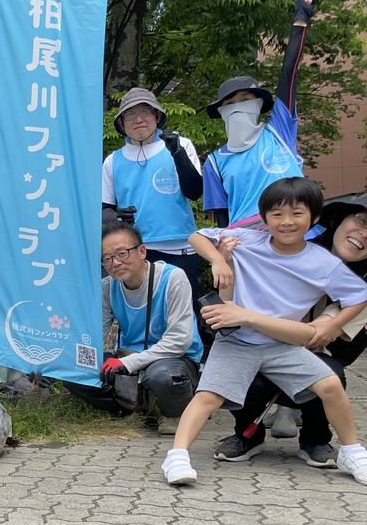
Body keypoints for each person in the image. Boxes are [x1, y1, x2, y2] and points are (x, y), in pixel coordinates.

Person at [162, 178, 367, 486]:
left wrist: (335, 325)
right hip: (238, 342)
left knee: (330, 385)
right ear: (265, 218)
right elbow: (197, 235)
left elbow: (359, 295)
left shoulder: (324, 263)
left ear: (314, 218)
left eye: (297, 214)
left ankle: (351, 451)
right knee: (208, 396)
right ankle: (176, 456)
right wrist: (220, 259)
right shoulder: (246, 240)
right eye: (276, 214)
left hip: (283, 345)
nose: (286, 222)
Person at [214, 192, 367, 467]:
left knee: (327, 374)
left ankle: (316, 439)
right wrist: (224, 260)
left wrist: (253, 317)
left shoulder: (360, 289)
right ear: (339, 218)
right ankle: (248, 435)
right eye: (362, 221)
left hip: (314, 351)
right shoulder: (290, 245)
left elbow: (317, 336)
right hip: (258, 341)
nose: (364, 235)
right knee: (243, 364)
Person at [61, 221, 202, 435]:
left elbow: (180, 340)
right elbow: (93, 336)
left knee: (162, 376)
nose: (115, 263)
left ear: (142, 251)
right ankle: (137, 405)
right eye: (107, 259)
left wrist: (126, 363)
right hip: (129, 358)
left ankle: (177, 411)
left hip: (174, 359)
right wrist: (55, 364)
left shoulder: (173, 278)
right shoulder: (108, 287)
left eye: (122, 253)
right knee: (75, 372)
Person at [203, 0, 314, 231]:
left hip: (297, 232)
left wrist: (300, 22)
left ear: (258, 104)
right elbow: (221, 214)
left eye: (245, 99)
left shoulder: (278, 132)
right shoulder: (214, 162)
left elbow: (288, 74)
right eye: (230, 103)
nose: (238, 106)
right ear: (221, 111)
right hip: (247, 243)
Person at [102, 88, 204, 314]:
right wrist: (118, 217)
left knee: (185, 314)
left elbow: (195, 191)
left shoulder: (180, 145)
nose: (138, 119)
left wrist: (177, 152)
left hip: (181, 246)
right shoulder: (113, 160)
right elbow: (104, 208)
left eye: (146, 111)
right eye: (130, 114)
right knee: (142, 315)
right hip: (135, 250)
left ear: (157, 116)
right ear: (121, 123)